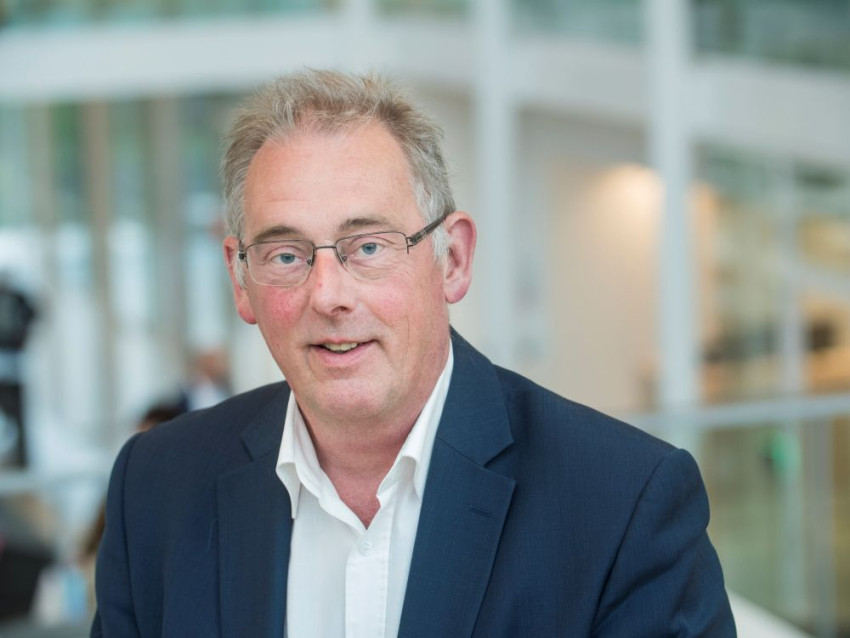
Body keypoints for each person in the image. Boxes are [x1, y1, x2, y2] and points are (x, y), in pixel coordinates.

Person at [92, 69, 736, 637]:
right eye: (286, 255)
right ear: (241, 281)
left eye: (369, 247)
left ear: (452, 260)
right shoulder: (156, 488)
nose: (328, 295)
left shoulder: (624, 504)